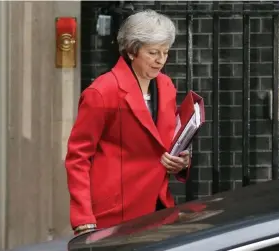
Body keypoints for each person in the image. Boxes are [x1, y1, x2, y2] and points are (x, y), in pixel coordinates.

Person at [65, 9, 192, 235]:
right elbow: (78, 158)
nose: (161, 60)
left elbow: (166, 141)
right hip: (116, 212)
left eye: (165, 52)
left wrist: (181, 161)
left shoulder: (166, 86)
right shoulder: (102, 91)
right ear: (132, 51)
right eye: (153, 52)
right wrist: (83, 219)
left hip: (158, 205)